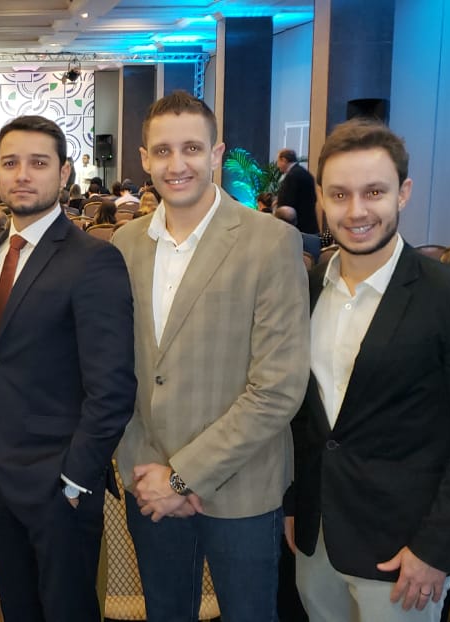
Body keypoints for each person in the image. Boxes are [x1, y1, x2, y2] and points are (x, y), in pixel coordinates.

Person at [286, 119, 450, 622]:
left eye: (374, 192)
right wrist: (292, 504)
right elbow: (303, 416)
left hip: (403, 552)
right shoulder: (306, 288)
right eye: (340, 194)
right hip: (316, 538)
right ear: (320, 198)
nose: (356, 211)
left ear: (403, 193)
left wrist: (437, 548)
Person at [111, 90, 310, 621]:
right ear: (144, 158)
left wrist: (183, 476)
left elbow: (278, 389)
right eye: (163, 151)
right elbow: (119, 371)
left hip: (241, 486)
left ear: (217, 153)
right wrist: (144, 470)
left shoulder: (271, 242)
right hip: (150, 478)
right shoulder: (124, 245)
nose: (177, 164)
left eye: (192, 149)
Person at [0, 115, 136, 622]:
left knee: (67, 610)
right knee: (17, 607)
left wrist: (76, 478)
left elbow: (112, 387)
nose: (22, 175)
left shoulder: (93, 260)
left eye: (38, 163)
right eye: (10, 163)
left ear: (63, 174)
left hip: (60, 482)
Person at [277, 149, 319, 235]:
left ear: (284, 160)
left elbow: (288, 203)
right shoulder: (304, 173)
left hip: (297, 228)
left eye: (278, 161)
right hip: (308, 225)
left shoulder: (292, 176)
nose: (277, 165)